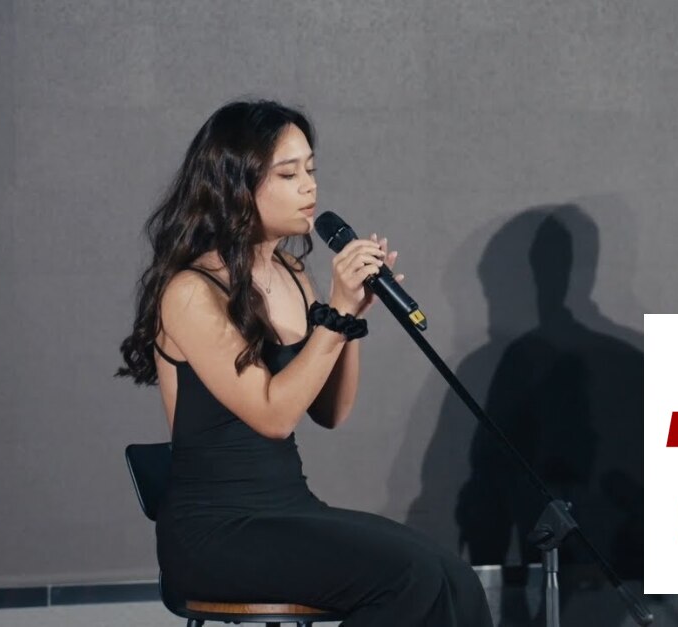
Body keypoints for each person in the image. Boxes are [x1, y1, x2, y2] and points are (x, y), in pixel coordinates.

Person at [117, 100, 493, 626]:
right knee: (413, 578)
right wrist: (334, 316)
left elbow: (331, 411)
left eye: (311, 170)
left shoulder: (293, 272)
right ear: (236, 186)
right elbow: (273, 415)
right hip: (216, 531)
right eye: (289, 174)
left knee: (453, 575)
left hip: (289, 507)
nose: (309, 187)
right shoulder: (190, 291)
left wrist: (352, 314)